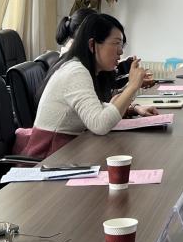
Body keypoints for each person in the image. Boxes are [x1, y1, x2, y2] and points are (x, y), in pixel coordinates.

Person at [20, 14, 156, 157]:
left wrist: (133, 108)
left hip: (69, 151)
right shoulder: (75, 71)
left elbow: (98, 108)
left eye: (121, 45)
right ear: (92, 45)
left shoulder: (84, 69)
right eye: (116, 43)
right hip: (49, 157)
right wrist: (132, 86)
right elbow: (100, 124)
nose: (121, 51)